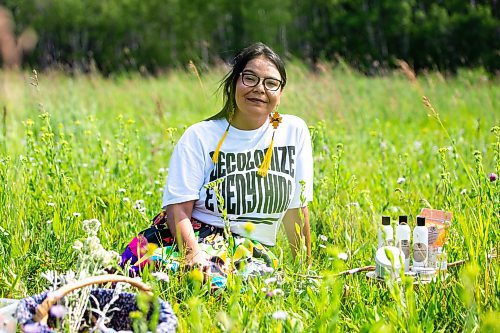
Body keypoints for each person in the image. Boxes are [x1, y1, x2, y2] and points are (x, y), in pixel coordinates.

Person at [120, 42, 313, 280]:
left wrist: (304, 273)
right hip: (190, 237)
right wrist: (192, 255)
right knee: (164, 274)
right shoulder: (200, 136)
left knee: (243, 282)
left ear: (280, 93)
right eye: (250, 78)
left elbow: (297, 209)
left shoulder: (293, 131)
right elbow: (178, 209)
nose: (259, 89)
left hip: (248, 250)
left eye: (271, 83)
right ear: (234, 83)